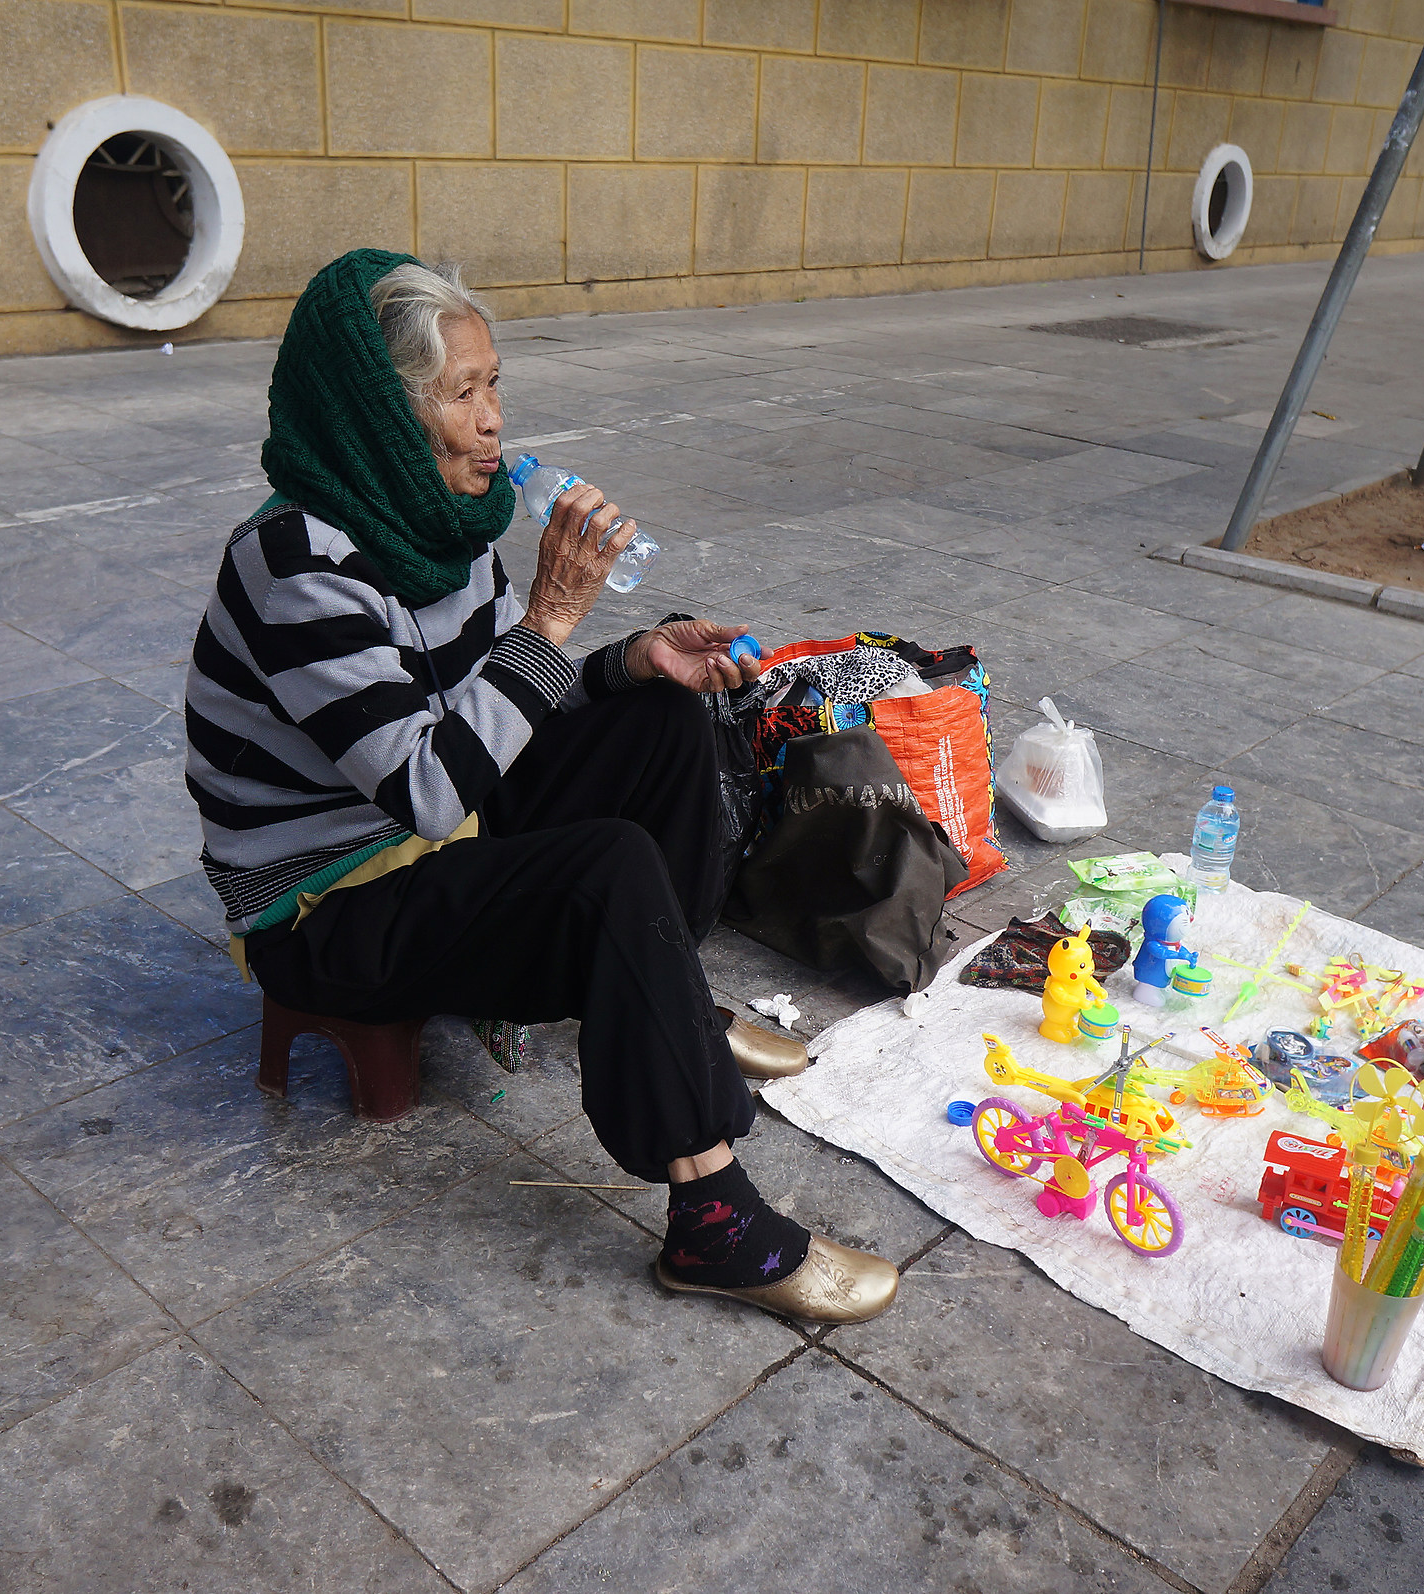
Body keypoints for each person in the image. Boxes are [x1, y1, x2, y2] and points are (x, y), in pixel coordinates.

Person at [183, 249, 898, 1326]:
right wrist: (554, 620)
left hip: (440, 833)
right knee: (602, 864)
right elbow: (426, 786)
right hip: (329, 901)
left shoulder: (443, 525)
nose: (493, 423)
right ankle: (710, 1217)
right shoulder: (298, 564)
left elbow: (491, 701)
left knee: (661, 719)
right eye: (461, 393)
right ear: (384, 414)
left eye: (494, 382)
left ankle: (668, 1003)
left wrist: (623, 662)